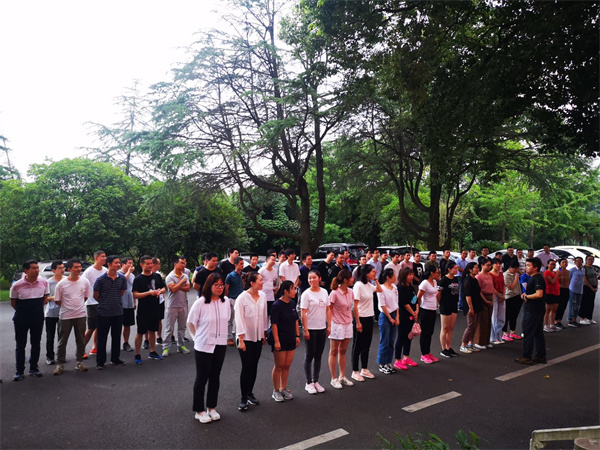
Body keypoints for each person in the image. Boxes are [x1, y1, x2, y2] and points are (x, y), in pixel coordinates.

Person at [188, 273, 230, 423]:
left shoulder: (225, 302)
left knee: (215, 377)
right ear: (209, 286)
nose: (219, 288)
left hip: (220, 343)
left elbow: (227, 319)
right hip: (204, 345)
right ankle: (199, 410)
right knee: (202, 378)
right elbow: (190, 322)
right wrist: (196, 338)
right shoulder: (200, 302)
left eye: (221, 285)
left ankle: (211, 407)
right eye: (216, 285)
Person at [10, 260, 49, 380]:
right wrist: (24, 311)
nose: (37, 270)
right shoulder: (17, 285)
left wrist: (36, 309)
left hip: (37, 317)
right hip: (21, 318)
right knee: (20, 344)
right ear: (26, 270)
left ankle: (34, 368)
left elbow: (45, 298)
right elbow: (14, 303)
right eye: (34, 268)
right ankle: (19, 371)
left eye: (37, 268)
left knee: (36, 343)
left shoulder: (44, 282)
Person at [235, 272, 268, 410]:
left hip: (257, 337)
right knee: (246, 366)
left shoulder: (263, 296)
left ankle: (250, 393)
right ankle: (243, 398)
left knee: (254, 366)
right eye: (260, 280)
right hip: (245, 338)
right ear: (252, 283)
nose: (262, 282)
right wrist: (241, 339)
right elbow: (239, 319)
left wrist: (264, 333)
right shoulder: (242, 298)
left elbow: (264, 316)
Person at [53, 259, 92, 375]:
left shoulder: (85, 281)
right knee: (62, 341)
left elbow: (85, 297)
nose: (79, 269)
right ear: (69, 269)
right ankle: (60, 364)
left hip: (81, 315)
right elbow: (57, 301)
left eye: (80, 267)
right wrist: (68, 307)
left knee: (80, 340)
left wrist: (77, 307)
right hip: (65, 316)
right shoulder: (61, 284)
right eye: (76, 267)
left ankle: (79, 362)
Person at [93, 255, 127, 369]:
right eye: (116, 263)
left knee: (116, 337)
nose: (118, 265)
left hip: (117, 311)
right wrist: (104, 302)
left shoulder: (122, 278)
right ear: (109, 264)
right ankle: (100, 362)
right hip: (103, 312)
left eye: (119, 263)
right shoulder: (100, 279)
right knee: (102, 338)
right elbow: (96, 295)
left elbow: (121, 292)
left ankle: (115, 358)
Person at [301, 270, 331, 394]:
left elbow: (328, 309)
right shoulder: (306, 294)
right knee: (309, 355)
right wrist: (305, 329)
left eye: (314, 277)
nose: (312, 280)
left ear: (319, 278)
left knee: (318, 355)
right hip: (311, 328)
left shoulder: (324, 292)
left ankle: (315, 380)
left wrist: (329, 325)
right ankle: (308, 382)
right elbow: (303, 313)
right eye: (310, 278)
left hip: (321, 328)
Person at [351, 264, 382, 381]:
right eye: (373, 271)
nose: (375, 273)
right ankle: (355, 371)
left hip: (369, 317)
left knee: (367, 345)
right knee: (357, 345)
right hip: (361, 317)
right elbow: (354, 306)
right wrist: (358, 322)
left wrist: (375, 279)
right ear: (366, 273)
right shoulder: (358, 285)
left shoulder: (369, 285)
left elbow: (380, 290)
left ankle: (364, 369)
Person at [133, 255, 166, 364]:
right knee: (141, 332)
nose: (150, 265)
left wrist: (159, 291)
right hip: (143, 309)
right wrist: (148, 293)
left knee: (152, 331)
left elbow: (163, 288)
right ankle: (137, 354)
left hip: (155, 308)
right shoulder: (138, 279)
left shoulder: (157, 276)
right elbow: (135, 295)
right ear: (141, 265)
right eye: (147, 264)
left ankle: (152, 351)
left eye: (151, 263)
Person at [270, 281, 300, 402]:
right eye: (293, 289)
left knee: (287, 365)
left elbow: (296, 320)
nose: (295, 291)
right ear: (286, 291)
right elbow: (274, 324)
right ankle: (276, 390)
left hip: (290, 338)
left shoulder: (292, 303)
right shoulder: (277, 305)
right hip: (280, 339)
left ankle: (283, 388)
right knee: (279, 366)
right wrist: (277, 341)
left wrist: (297, 335)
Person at [515, 257, 547, 365]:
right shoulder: (534, 278)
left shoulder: (537, 278)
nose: (526, 268)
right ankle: (540, 356)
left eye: (528, 266)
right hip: (537, 309)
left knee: (528, 332)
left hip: (533, 310)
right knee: (538, 332)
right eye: (526, 265)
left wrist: (527, 296)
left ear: (535, 267)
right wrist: (527, 294)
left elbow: (539, 294)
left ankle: (527, 356)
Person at [328, 270, 355, 389]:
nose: (353, 279)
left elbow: (352, 308)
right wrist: (329, 324)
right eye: (351, 278)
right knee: (334, 351)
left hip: (348, 323)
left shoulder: (351, 292)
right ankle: (333, 378)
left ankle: (342, 376)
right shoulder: (334, 293)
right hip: (337, 324)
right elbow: (329, 309)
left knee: (343, 350)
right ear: (345, 280)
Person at [162, 255, 192, 357]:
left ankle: (181, 345)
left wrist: (177, 285)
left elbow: (188, 288)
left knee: (182, 327)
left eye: (185, 263)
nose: (184, 265)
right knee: (169, 328)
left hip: (183, 305)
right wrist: (181, 283)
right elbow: (173, 289)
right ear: (175, 264)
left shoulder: (185, 276)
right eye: (182, 263)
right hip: (172, 306)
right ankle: (166, 347)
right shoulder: (170, 276)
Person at [82, 250, 107, 358]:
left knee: (100, 326)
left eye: (105, 256)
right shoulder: (88, 271)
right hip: (92, 303)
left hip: (104, 302)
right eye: (102, 256)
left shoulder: (105, 270)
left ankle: (94, 347)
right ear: (96, 258)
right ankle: (81, 349)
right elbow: (83, 285)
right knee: (91, 327)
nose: (105, 258)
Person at [376, 268, 399, 373]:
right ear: (388, 277)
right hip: (385, 316)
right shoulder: (381, 288)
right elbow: (382, 305)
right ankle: (382, 363)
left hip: (393, 313)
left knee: (391, 340)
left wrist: (397, 316)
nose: (395, 277)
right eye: (393, 275)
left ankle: (388, 362)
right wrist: (390, 317)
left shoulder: (394, 287)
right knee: (384, 340)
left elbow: (396, 303)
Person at [417, 266, 440, 364]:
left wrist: (437, 304)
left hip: (432, 309)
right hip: (425, 310)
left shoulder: (434, 282)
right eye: (437, 272)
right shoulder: (424, 283)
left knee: (430, 332)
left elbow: (435, 295)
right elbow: (418, 297)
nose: (438, 274)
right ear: (431, 273)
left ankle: (428, 352)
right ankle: (423, 354)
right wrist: (418, 309)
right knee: (424, 332)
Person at [460, 262, 484, 354]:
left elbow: (478, 292)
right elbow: (467, 295)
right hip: (471, 305)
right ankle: (463, 344)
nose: (477, 269)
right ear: (470, 270)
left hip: (477, 304)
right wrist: (471, 307)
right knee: (470, 325)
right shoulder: (467, 280)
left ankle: (471, 343)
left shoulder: (475, 280)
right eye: (476, 268)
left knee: (475, 325)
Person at [438, 261, 460, 358]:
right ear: (449, 269)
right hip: (445, 305)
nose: (456, 270)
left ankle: (448, 347)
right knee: (445, 328)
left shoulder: (455, 279)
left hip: (453, 304)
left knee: (451, 328)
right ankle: (443, 349)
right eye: (455, 268)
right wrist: (440, 303)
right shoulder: (443, 280)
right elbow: (438, 294)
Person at [45, 261, 65, 365]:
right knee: (50, 336)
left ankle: (61, 356)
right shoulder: (48, 282)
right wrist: (55, 297)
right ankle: (50, 356)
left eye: (63, 267)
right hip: (51, 312)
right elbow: (44, 298)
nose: (62, 270)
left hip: (64, 312)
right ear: (53, 270)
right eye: (60, 268)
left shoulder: (66, 280)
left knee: (62, 336)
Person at [474, 260, 494, 350]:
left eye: (490, 265)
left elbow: (492, 288)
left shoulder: (490, 275)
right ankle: (479, 341)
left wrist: (492, 298)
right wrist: (485, 300)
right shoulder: (479, 276)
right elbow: (479, 291)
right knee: (482, 320)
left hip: (490, 296)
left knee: (488, 320)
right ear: (482, 265)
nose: (489, 267)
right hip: (483, 298)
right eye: (487, 265)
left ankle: (486, 341)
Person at [225, 257, 245, 345]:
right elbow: (226, 289)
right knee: (230, 319)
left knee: (240, 319)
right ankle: (229, 337)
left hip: (241, 299)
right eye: (241, 264)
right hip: (233, 298)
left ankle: (238, 336)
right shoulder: (230, 276)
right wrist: (227, 299)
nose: (242, 266)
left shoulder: (243, 275)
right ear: (236, 264)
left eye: (243, 264)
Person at [501, 261, 523, 342]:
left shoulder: (516, 274)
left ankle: (512, 332)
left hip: (517, 296)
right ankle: (504, 333)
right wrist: (516, 279)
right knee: (507, 316)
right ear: (510, 268)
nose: (516, 270)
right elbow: (511, 287)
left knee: (514, 315)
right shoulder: (506, 275)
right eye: (515, 269)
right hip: (509, 297)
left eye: (517, 269)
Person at [118, 257, 136, 353]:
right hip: (120, 303)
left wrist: (134, 301)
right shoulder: (118, 274)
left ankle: (126, 342)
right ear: (123, 264)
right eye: (129, 263)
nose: (131, 265)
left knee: (127, 324)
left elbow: (133, 289)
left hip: (129, 303)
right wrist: (128, 272)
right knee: (117, 324)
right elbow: (122, 282)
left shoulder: (132, 275)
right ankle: (116, 343)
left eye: (132, 263)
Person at [489, 259, 506, 345]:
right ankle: (493, 337)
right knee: (494, 317)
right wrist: (500, 296)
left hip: (501, 295)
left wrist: (503, 295)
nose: (498, 265)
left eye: (499, 264)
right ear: (492, 265)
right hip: (494, 295)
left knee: (501, 317)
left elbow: (503, 285)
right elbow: (492, 287)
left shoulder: (501, 274)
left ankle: (499, 335)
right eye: (496, 264)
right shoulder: (490, 274)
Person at [579, 255, 598, 325]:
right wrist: (591, 288)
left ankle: (589, 317)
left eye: (592, 259)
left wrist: (596, 287)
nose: (590, 261)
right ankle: (582, 318)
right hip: (586, 287)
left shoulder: (593, 268)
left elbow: (596, 277)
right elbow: (585, 279)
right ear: (586, 260)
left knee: (591, 303)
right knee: (585, 302)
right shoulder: (584, 268)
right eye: (589, 259)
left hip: (593, 286)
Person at [543, 259, 560, 332]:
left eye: (554, 264)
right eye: (551, 264)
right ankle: (546, 325)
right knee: (548, 310)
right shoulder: (546, 272)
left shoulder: (555, 272)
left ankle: (552, 324)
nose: (553, 266)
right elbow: (552, 281)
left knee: (554, 309)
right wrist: (557, 275)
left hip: (556, 292)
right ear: (548, 265)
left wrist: (559, 276)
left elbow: (559, 281)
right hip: (549, 292)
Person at [567, 256, 585, 327]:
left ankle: (575, 318)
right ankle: (571, 319)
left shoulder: (583, 269)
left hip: (580, 290)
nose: (578, 262)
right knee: (572, 305)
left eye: (580, 261)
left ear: (582, 262)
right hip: (573, 289)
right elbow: (569, 278)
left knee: (578, 305)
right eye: (577, 261)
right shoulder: (572, 270)